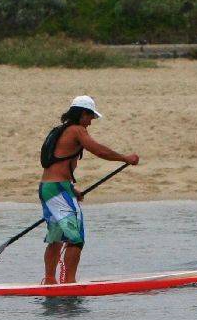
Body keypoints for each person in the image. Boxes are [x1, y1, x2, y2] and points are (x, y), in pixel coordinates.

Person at [39, 95, 139, 284]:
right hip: (58, 191)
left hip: (49, 189)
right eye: (90, 117)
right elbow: (99, 150)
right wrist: (125, 158)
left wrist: (71, 189)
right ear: (82, 114)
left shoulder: (60, 131)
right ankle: (69, 283)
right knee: (76, 238)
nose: (91, 122)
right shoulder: (77, 130)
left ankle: (50, 282)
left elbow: (56, 166)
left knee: (56, 237)